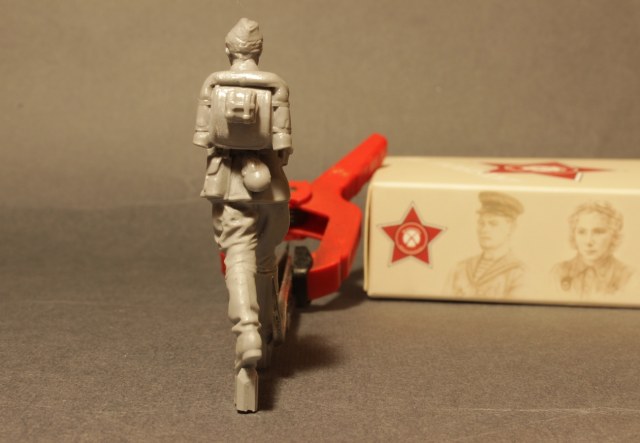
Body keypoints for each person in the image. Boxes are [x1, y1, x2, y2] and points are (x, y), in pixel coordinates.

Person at [192, 18, 292, 412]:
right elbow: (283, 148)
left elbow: (204, 139)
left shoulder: (212, 84)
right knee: (265, 259)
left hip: (229, 185)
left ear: (229, 50)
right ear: (258, 51)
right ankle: (264, 336)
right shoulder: (276, 86)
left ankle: (247, 331)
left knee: (238, 257)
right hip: (270, 186)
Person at [446, 191, 525, 298]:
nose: (484, 229)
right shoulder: (460, 269)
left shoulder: (518, 273)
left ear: (511, 228)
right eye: (481, 223)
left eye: (493, 224)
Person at [551, 201, 633, 298]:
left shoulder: (629, 276)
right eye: (582, 232)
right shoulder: (558, 273)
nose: (588, 241)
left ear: (613, 235)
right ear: (574, 235)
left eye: (598, 232)